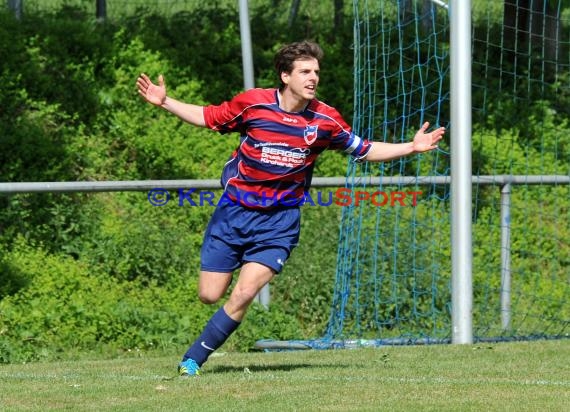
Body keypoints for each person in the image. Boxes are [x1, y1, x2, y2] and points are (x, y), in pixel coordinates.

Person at [136, 40, 445, 377]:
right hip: (234, 212)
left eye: (316, 72)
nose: (313, 78)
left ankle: (193, 359)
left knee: (245, 292)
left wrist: (411, 148)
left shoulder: (326, 120)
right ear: (285, 75)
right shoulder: (254, 104)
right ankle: (203, 339)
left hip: (279, 222)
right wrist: (165, 101)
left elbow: (364, 149)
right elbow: (207, 116)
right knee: (209, 295)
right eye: (305, 72)